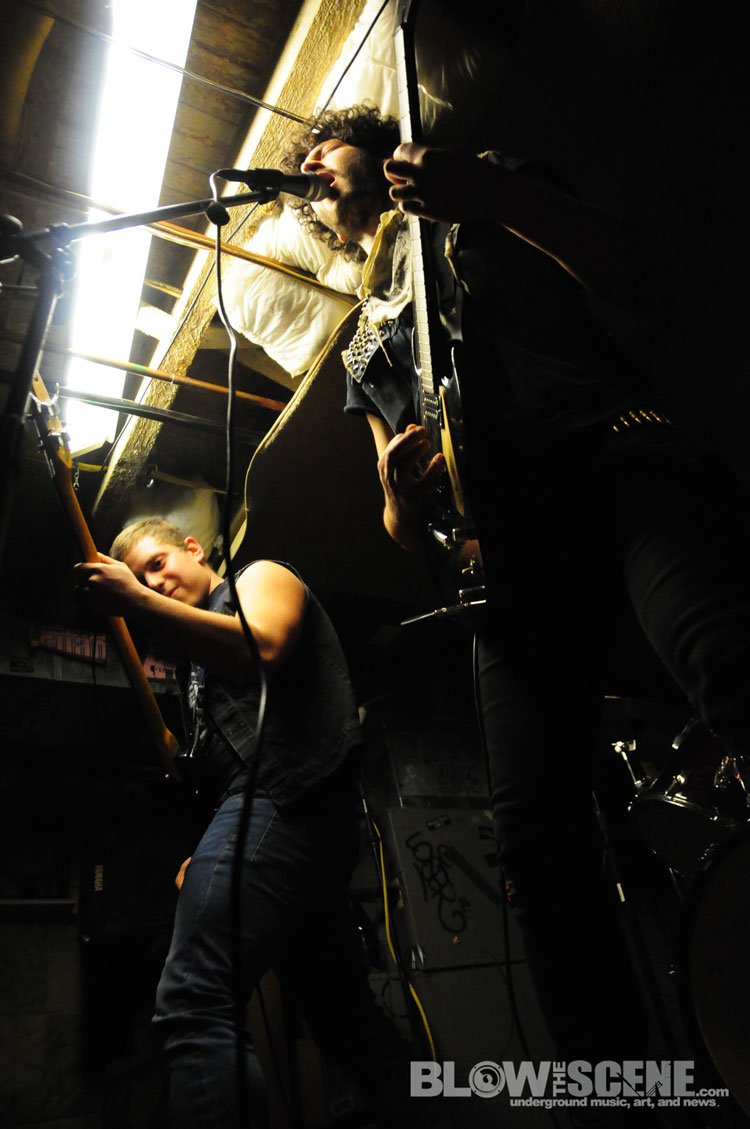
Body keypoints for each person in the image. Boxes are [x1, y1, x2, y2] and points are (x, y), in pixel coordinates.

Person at [282, 106, 750, 1069]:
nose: (312, 174)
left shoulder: (477, 186)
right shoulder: (363, 344)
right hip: (507, 560)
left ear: (374, 147)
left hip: (614, 463)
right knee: (537, 841)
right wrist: (398, 494)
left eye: (323, 151)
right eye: (304, 175)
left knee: (728, 659)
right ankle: (615, 1087)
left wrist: (489, 192)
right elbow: (397, 525)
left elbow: (639, 275)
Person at [73, 517, 445, 1129]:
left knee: (194, 996)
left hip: (288, 798)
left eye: (157, 564)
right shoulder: (196, 668)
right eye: (140, 579)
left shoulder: (260, 577)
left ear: (194, 548)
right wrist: (207, 849)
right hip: (281, 830)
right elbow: (225, 774)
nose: (153, 582)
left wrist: (132, 600)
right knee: (347, 1024)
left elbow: (264, 646)